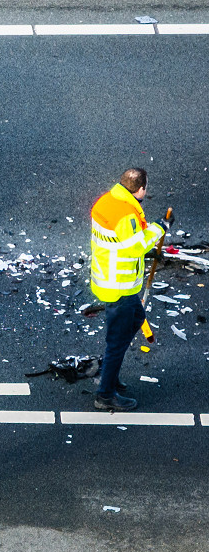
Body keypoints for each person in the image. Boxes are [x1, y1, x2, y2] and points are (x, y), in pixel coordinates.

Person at [89, 167, 169, 412]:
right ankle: (105, 394)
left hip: (107, 277)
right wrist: (160, 228)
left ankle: (109, 375)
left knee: (136, 320)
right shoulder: (126, 214)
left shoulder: (107, 201)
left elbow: (123, 240)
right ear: (141, 189)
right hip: (119, 286)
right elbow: (135, 247)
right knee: (117, 343)